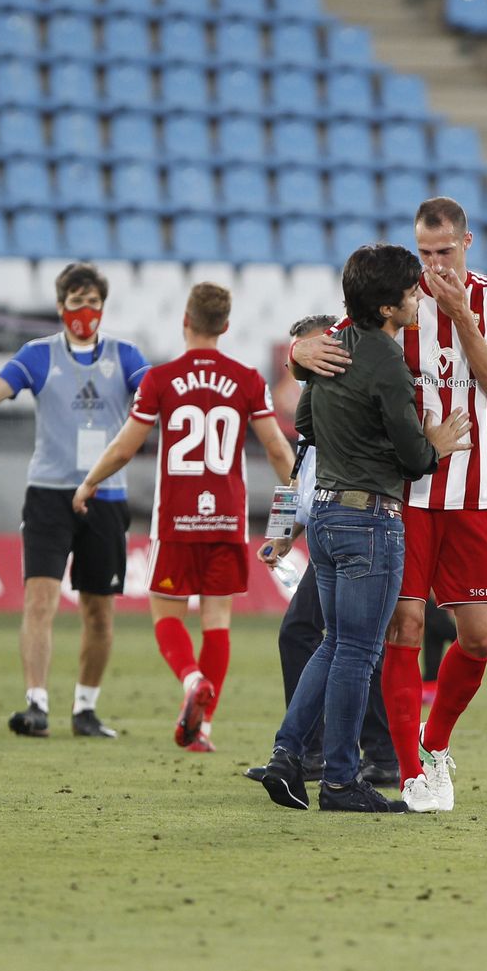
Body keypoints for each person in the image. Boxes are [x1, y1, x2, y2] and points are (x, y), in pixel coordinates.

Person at [293, 197, 487, 813]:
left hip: (474, 492)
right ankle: (413, 770)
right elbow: (338, 341)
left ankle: (436, 741)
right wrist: (298, 352)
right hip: (405, 494)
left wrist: (463, 318)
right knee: (406, 627)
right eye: (424, 252)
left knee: (478, 638)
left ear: (467, 244)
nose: (433, 264)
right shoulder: (399, 299)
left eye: (444, 251)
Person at [259, 243, 471, 813]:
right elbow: (411, 456)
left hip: (324, 511)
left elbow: (305, 425)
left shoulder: (331, 352)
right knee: (356, 650)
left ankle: (287, 755)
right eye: (408, 292)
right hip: (369, 519)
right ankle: (341, 780)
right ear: (385, 308)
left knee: (331, 643)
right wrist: (437, 446)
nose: (415, 299)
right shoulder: (385, 363)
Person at [0, 262, 149, 740]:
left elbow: (157, 395)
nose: (84, 312)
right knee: (39, 601)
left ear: (102, 307)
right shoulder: (38, 355)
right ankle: (36, 705)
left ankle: (85, 709)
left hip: (106, 495)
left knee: (99, 611)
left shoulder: (126, 356)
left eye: (92, 304)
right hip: (49, 494)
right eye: (76, 303)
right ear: (60, 306)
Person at [72, 282, 296, 751]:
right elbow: (276, 447)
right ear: (226, 327)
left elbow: (125, 446)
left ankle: (191, 679)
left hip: (176, 519)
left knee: (165, 614)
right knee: (217, 621)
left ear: (186, 321)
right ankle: (204, 727)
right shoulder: (248, 379)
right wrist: (299, 493)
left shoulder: (161, 379)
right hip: (227, 522)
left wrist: (90, 481)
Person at [245, 315, 400, 787]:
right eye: (298, 354)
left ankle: (328, 751)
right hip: (329, 534)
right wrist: (281, 532)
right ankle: (359, 752)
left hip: (363, 528)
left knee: (331, 639)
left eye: (310, 351)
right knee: (346, 643)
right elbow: (296, 475)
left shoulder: (347, 399)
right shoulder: (318, 404)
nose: (304, 362)